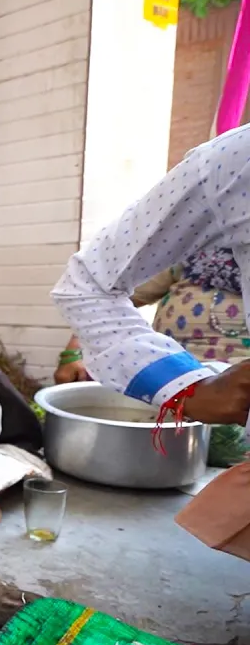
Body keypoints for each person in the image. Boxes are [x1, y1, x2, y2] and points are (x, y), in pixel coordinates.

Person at [51, 124, 250, 426]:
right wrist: (187, 387)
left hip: (230, 418)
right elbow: (94, 287)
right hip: (186, 399)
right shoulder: (232, 166)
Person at [54, 248, 248, 385]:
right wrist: (74, 354)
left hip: (238, 392)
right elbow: (104, 299)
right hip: (169, 379)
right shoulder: (194, 254)